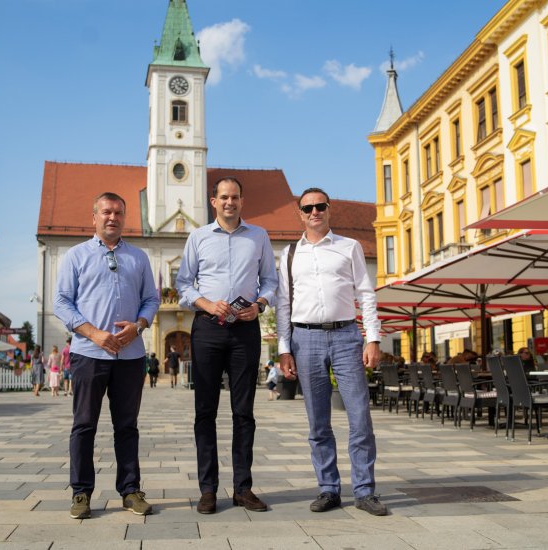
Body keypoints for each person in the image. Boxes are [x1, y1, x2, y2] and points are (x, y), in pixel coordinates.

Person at [276, 187, 387, 516]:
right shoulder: (290, 253)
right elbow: (283, 304)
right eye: (308, 207)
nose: (314, 212)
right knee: (318, 423)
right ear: (300, 213)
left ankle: (364, 490)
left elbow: (366, 294)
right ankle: (328, 488)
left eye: (320, 206)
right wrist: (284, 349)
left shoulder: (349, 247)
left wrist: (373, 338)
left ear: (329, 209)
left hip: (345, 336)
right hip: (305, 338)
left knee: (359, 417)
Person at [54, 191, 160, 520]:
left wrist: (139, 325)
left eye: (118, 212)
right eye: (106, 212)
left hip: (130, 355)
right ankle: (81, 493)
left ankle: (130, 491)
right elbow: (61, 302)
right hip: (89, 353)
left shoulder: (139, 258)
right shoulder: (76, 255)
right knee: (84, 424)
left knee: (127, 426)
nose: (112, 217)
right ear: (94, 216)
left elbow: (151, 300)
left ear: (124, 217)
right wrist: (94, 333)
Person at [176, 176, 278, 514]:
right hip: (207, 329)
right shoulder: (198, 237)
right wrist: (205, 303)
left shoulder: (259, 236)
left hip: (245, 329)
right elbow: (183, 283)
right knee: (205, 412)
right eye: (223, 197)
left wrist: (260, 304)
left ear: (242, 201)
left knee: (243, 412)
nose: (229, 202)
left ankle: (243, 488)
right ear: (213, 201)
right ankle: (208, 490)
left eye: (235, 197)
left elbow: (272, 281)